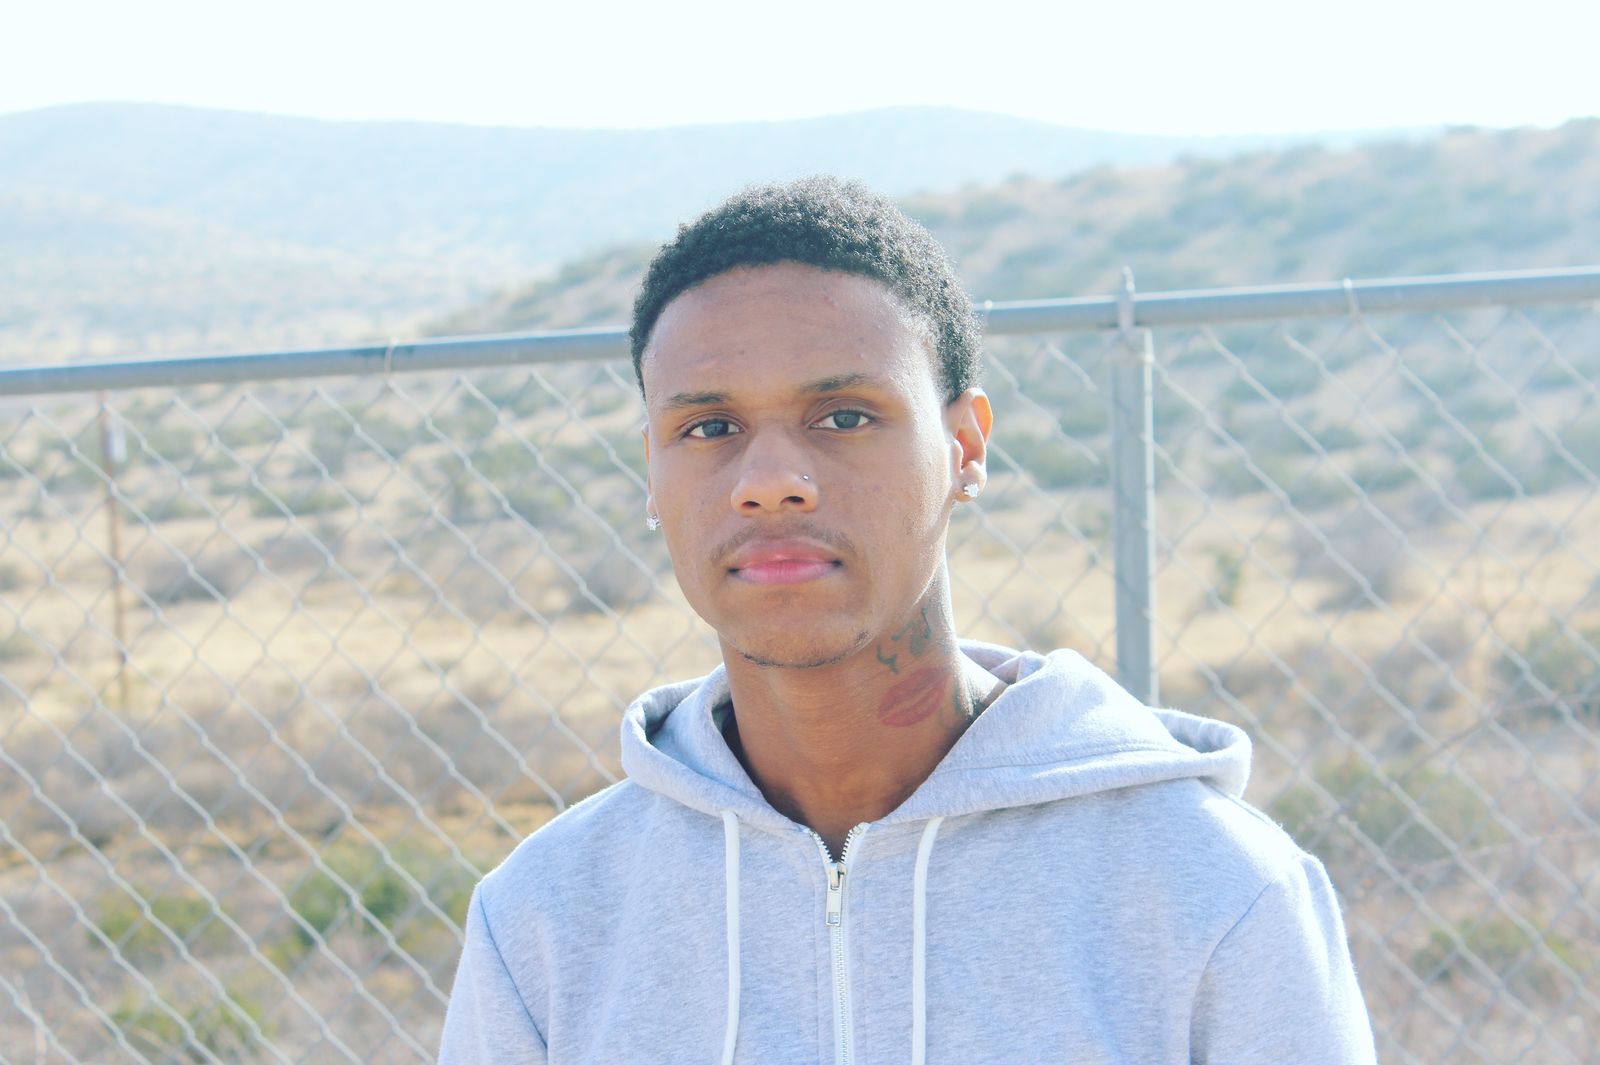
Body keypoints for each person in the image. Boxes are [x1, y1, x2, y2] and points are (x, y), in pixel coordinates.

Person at [437, 176, 1376, 1063]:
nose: (771, 481)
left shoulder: (1215, 887)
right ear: (652, 467)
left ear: (964, 446)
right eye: (710, 428)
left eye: (843, 416)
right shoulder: (546, 919)